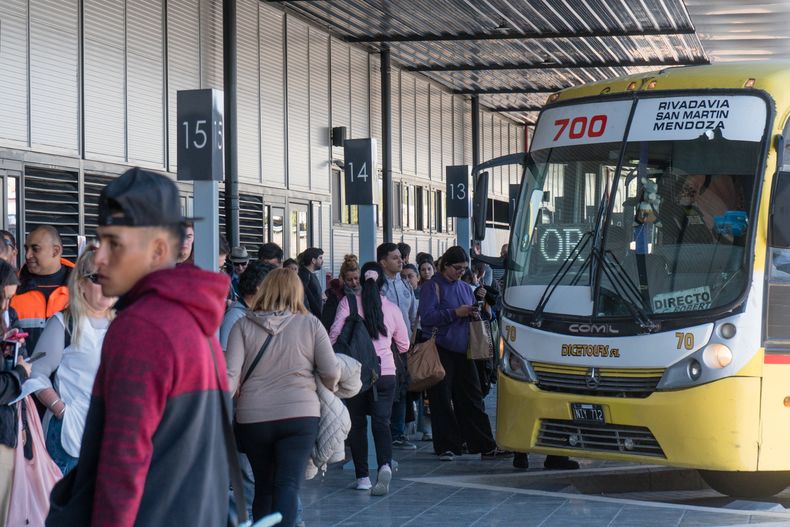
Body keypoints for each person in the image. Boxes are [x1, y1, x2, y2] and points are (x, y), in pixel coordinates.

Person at [47, 167, 231, 526]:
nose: (98, 259)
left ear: (158, 249)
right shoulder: (196, 318)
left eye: (115, 244)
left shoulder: (140, 328)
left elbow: (123, 466)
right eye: (100, 242)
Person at [226, 269, 340, 525]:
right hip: (300, 416)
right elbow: (331, 371)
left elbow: (229, 378)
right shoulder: (311, 324)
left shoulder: (241, 326)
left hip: (254, 418)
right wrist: (327, 385)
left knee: (264, 486)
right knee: (288, 485)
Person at [30, 247, 116, 476]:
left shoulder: (123, 324)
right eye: (99, 277)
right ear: (81, 284)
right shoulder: (64, 323)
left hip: (112, 440)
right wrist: (61, 410)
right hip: (69, 438)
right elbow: (36, 374)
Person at [418, 246, 507, 461]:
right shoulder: (432, 287)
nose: (461, 272)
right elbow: (427, 318)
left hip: (463, 349)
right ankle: (447, 445)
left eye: (464, 268)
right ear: (445, 266)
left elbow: (475, 311)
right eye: (457, 268)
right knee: (441, 399)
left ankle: (484, 444)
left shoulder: (466, 287)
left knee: (472, 397)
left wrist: (474, 311)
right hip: (441, 348)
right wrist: (455, 313)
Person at [329, 262, 408, 496]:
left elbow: (334, 336)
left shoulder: (348, 303)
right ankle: (384, 465)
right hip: (385, 373)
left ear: (361, 281)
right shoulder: (392, 308)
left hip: (356, 373)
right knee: (382, 423)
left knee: (358, 425)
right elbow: (404, 344)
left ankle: (362, 477)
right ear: (382, 283)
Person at [377, 243, 417, 450]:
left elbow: (411, 316)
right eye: (395, 258)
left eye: (400, 257)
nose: (401, 261)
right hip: (385, 345)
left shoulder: (405, 284)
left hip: (403, 345)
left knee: (402, 387)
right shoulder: (378, 287)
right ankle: (388, 430)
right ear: (383, 261)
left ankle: (398, 432)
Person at [0, 260, 31, 522]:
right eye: (1, 298)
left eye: (10, 299)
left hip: (7, 429)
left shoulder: (10, 318)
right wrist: (19, 374)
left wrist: (22, 425)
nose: (5, 307)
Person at [12, 225, 74, 354]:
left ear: (55, 251)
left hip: (70, 374)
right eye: (26, 248)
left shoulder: (83, 289)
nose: (28, 255)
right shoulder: (11, 289)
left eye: (35, 249)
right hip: (24, 373)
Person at [220, 261, 275, 351]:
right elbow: (225, 355)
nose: (276, 292)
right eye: (273, 286)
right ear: (259, 288)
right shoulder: (234, 317)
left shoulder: (254, 311)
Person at [321, 254, 360, 332]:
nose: (354, 282)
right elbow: (327, 323)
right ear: (343, 279)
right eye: (349, 280)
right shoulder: (335, 296)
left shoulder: (367, 293)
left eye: (356, 278)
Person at [298, 247, 324, 318]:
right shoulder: (305, 276)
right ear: (313, 260)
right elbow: (303, 298)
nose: (322, 261)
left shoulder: (310, 274)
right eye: (320, 258)